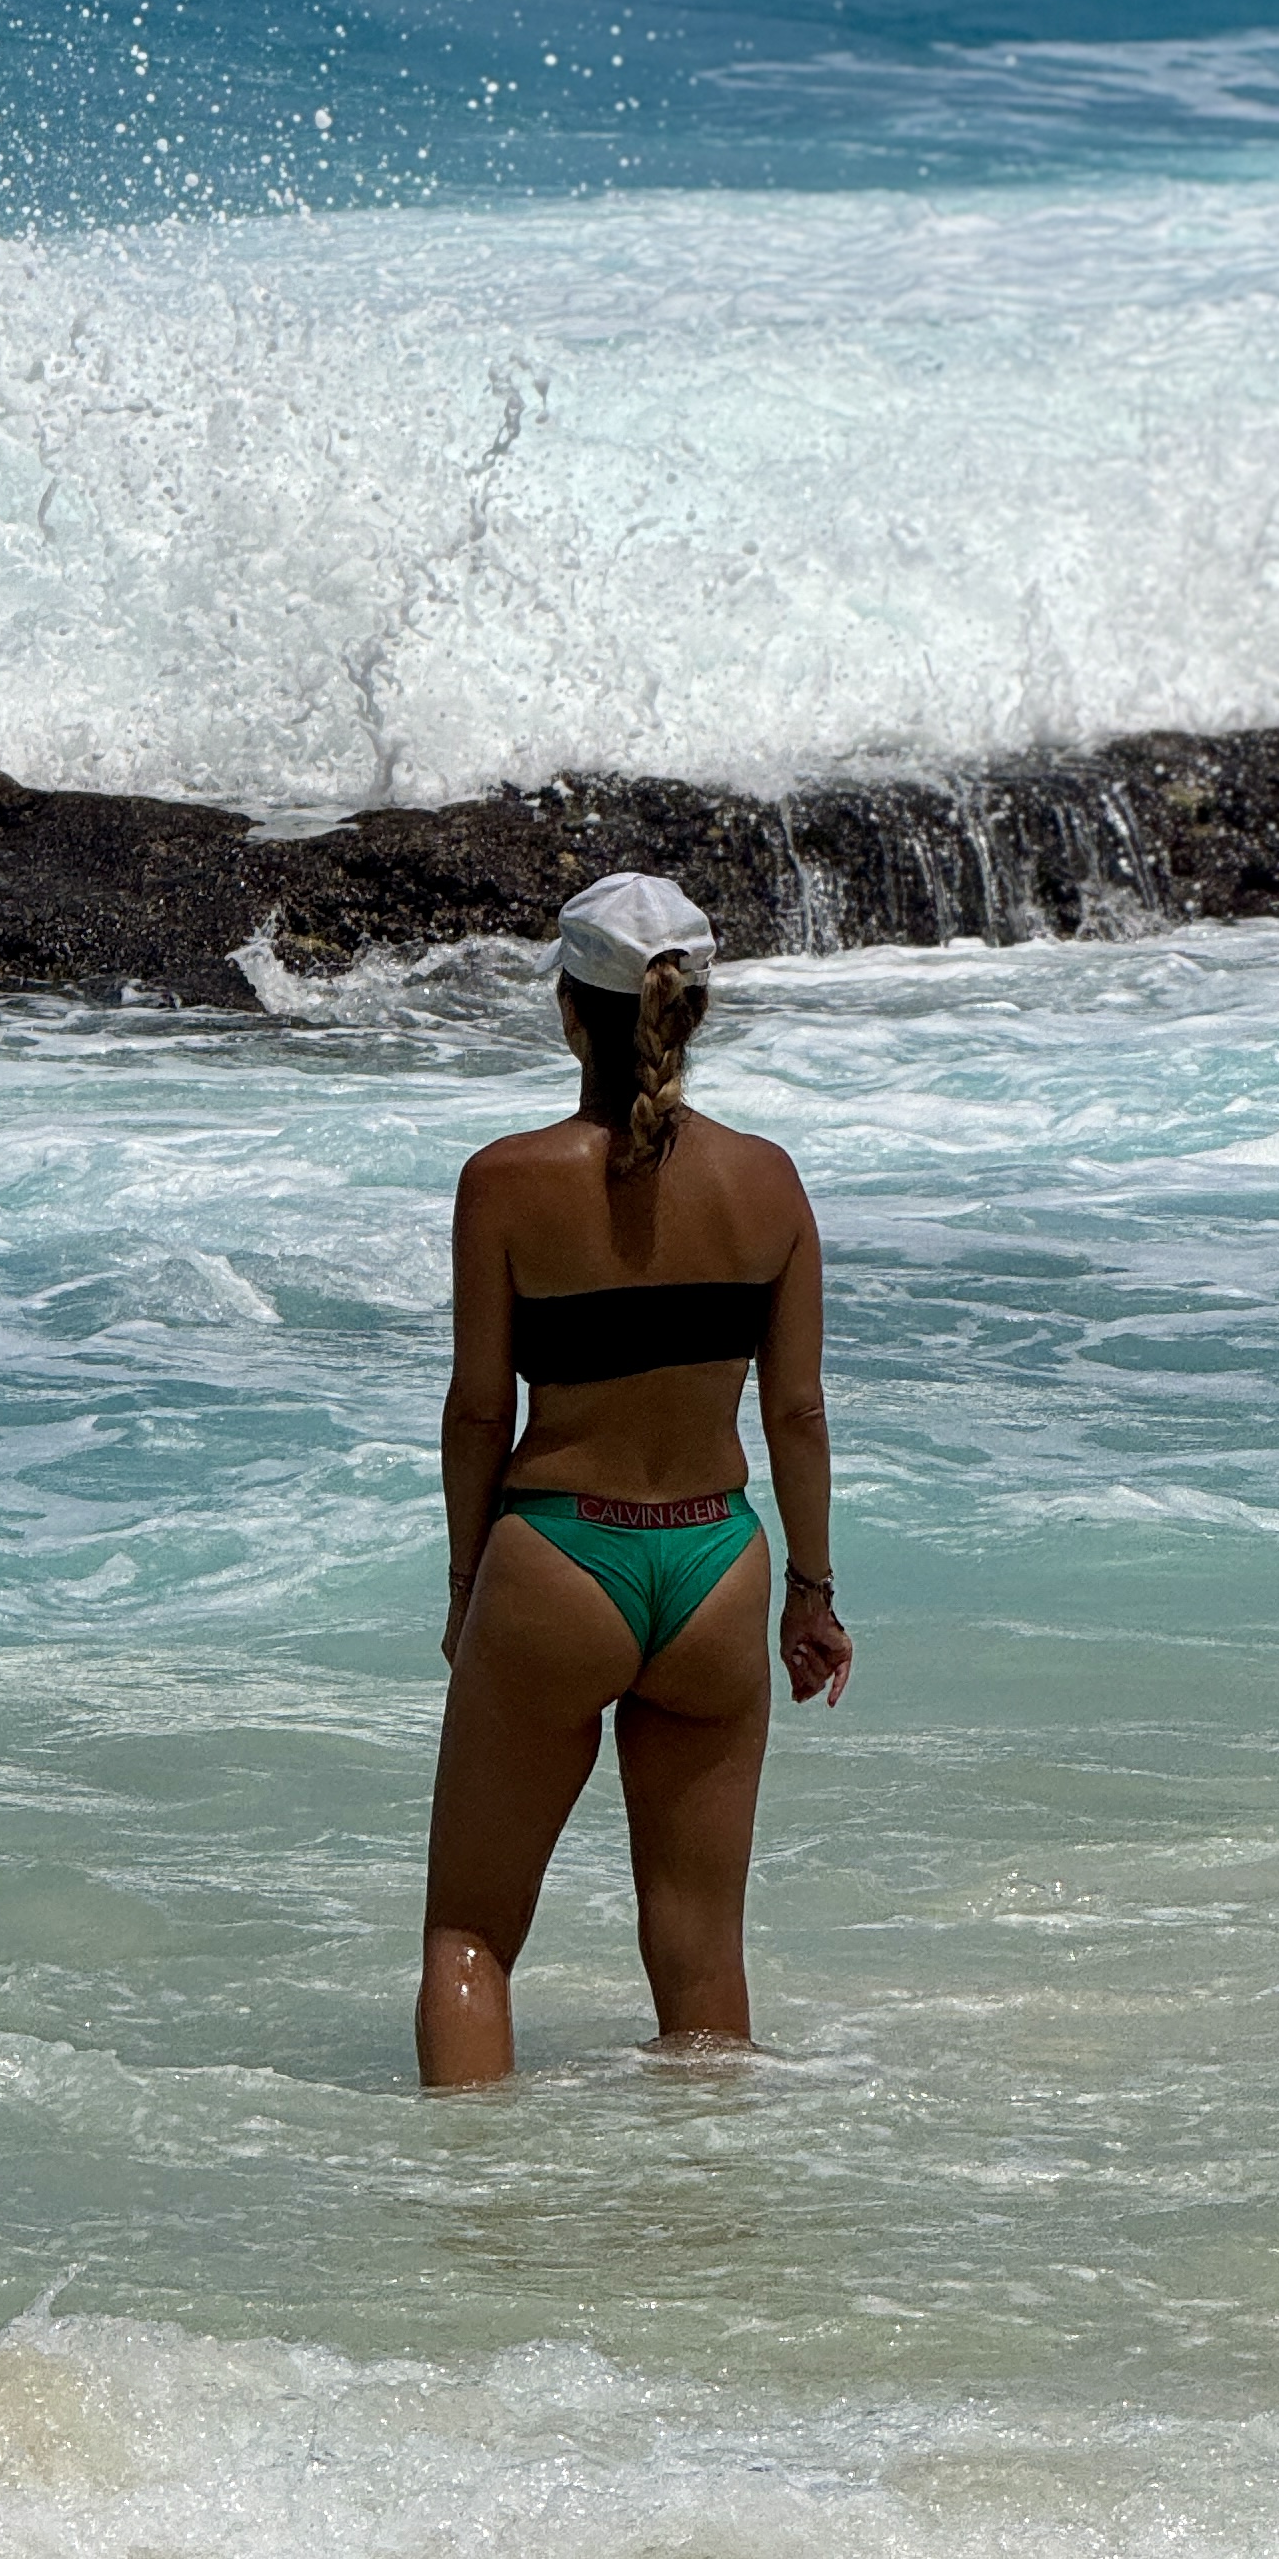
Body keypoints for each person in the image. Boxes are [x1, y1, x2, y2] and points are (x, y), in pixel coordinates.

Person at [418, 870, 849, 2087]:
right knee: (704, 1953)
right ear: (692, 1013)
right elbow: (800, 1412)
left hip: (559, 1555)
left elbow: (475, 1409)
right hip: (716, 1556)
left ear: (570, 1010)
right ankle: (709, 2241)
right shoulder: (770, 1183)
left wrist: (466, 1581)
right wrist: (810, 1594)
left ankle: (461, 2238)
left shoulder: (505, 1182)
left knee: (470, 1939)